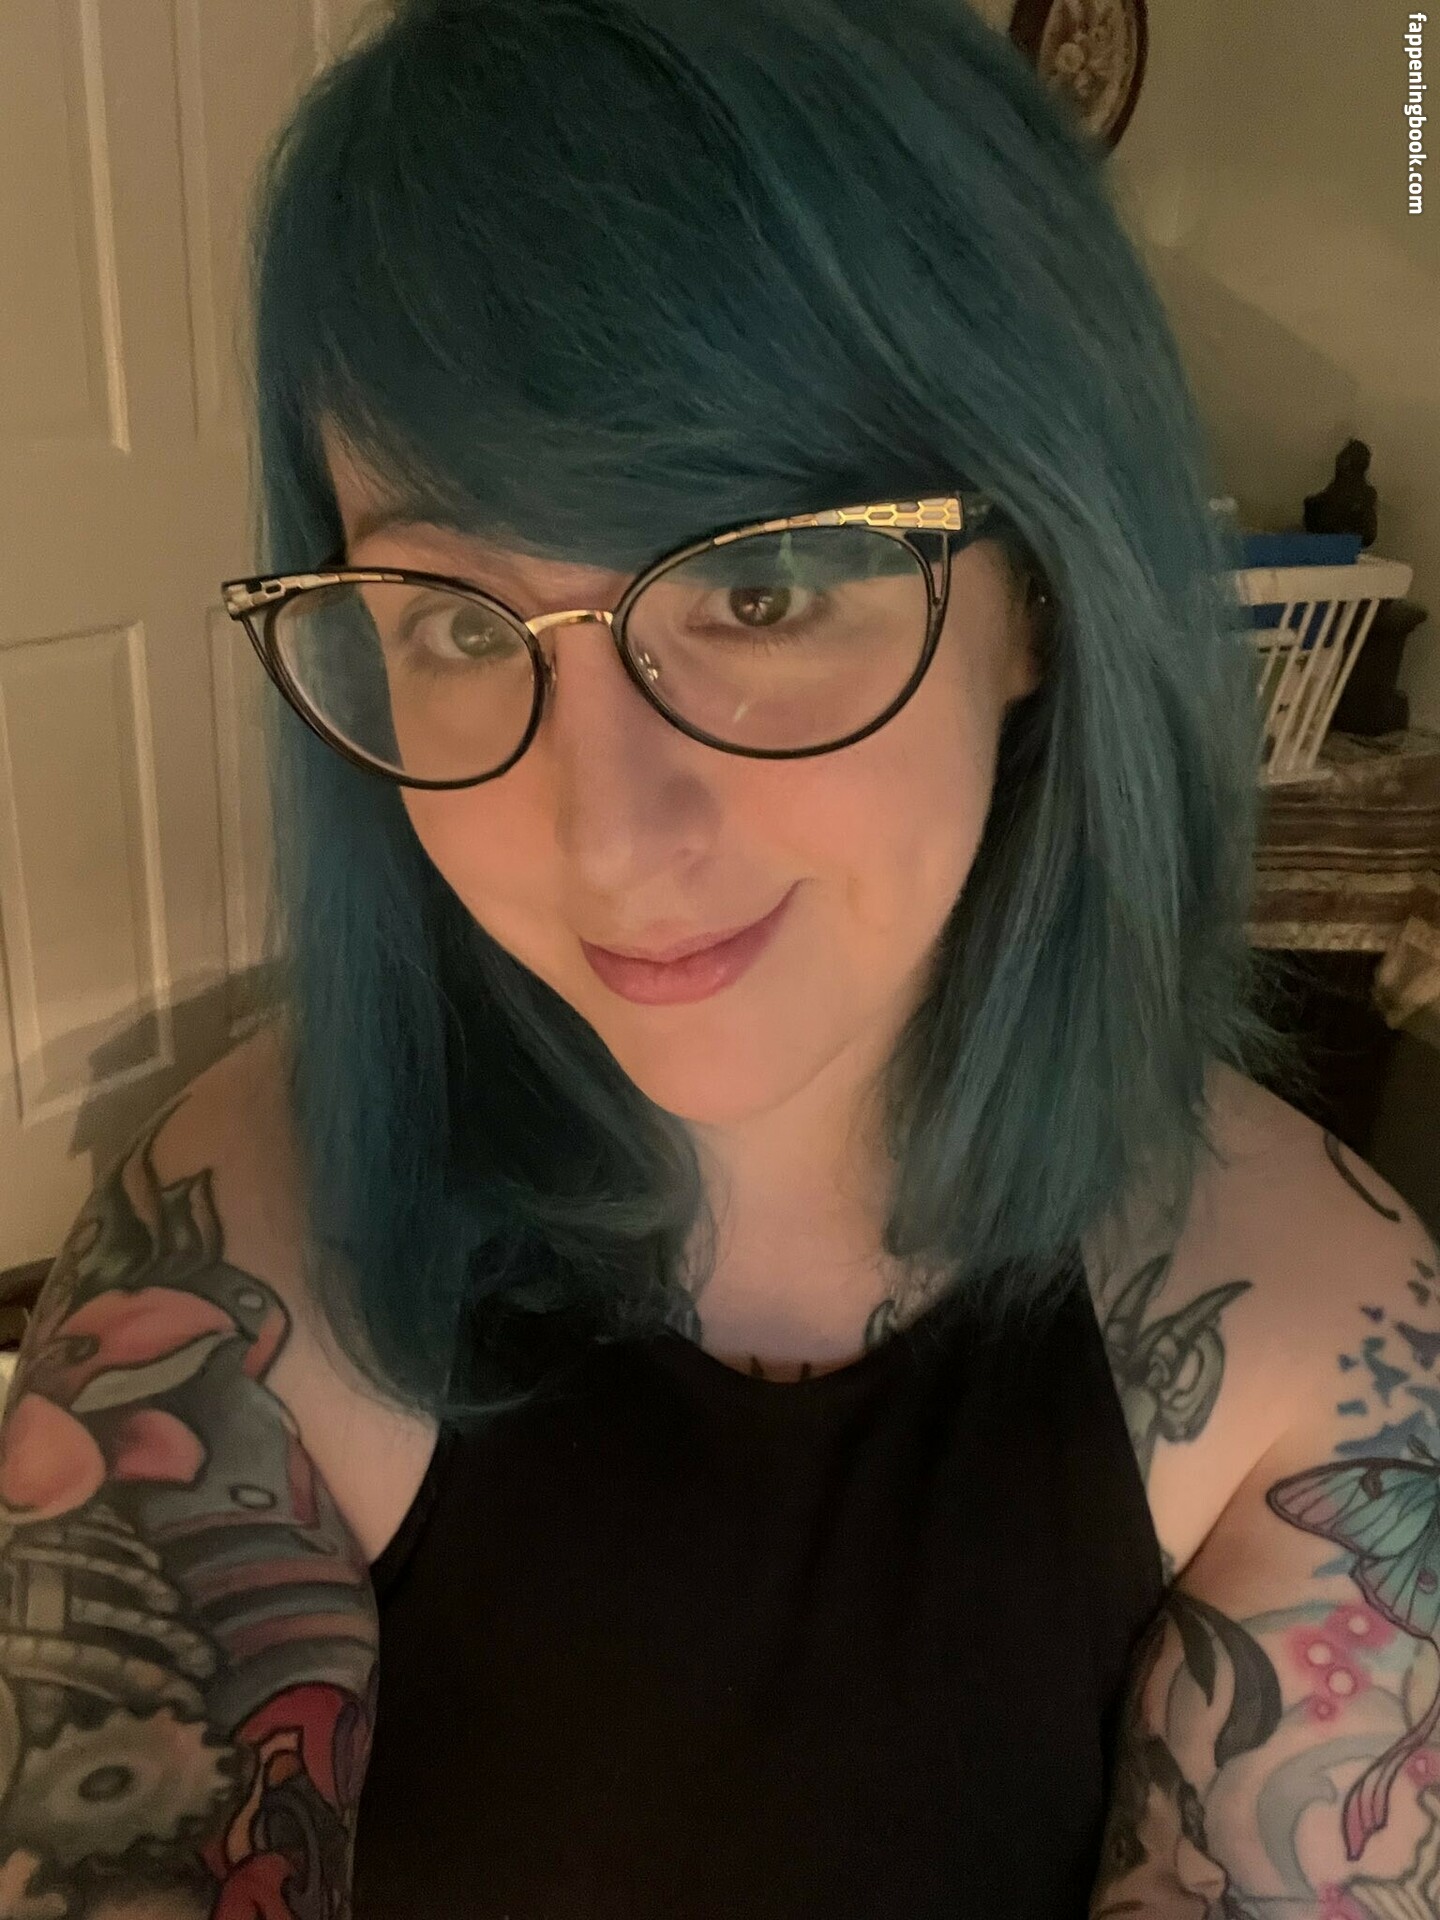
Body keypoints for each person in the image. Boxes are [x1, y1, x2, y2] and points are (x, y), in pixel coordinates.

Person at [0, 1, 1435, 1915]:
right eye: (455, 622)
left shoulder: (1324, 1359)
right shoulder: (232, 1256)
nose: (607, 837)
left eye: (759, 585)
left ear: (1038, 594)